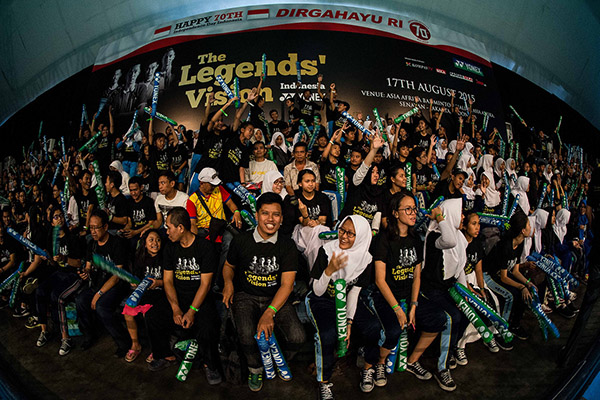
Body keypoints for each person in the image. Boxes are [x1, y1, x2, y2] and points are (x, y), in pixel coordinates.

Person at [222, 193, 305, 391]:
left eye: (276, 214)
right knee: (246, 334)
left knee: (298, 337)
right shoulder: (241, 240)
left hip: (276, 297)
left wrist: (269, 313)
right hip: (246, 296)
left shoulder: (287, 245)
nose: (270, 219)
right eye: (265, 213)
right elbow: (228, 266)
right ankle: (255, 368)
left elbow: (287, 285)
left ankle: (276, 359)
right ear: (257, 215)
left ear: (281, 218)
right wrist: (228, 283)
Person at [144, 207, 222, 385]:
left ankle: (210, 365)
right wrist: (175, 308)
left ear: (180, 228)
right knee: (152, 316)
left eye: (169, 227)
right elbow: (168, 281)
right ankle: (165, 355)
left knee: (208, 326)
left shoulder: (205, 247)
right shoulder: (170, 248)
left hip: (200, 299)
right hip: (178, 297)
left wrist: (192, 311)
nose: (166, 231)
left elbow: (205, 284)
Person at [305, 215, 373, 400]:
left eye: (351, 233)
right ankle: (324, 381)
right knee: (327, 335)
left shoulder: (366, 259)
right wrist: (329, 270)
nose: (343, 236)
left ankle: (368, 367)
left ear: (361, 237)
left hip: (345, 300)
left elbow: (354, 292)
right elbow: (317, 291)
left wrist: (348, 322)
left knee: (372, 326)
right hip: (322, 300)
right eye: (342, 230)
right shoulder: (327, 251)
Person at [420, 198, 469, 391]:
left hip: (447, 287)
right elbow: (449, 241)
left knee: (465, 311)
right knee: (452, 316)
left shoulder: (458, 236)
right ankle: (442, 368)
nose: (463, 217)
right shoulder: (435, 236)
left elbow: (460, 266)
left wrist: (464, 292)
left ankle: (450, 349)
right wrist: (440, 217)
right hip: (431, 289)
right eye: (460, 213)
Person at [75, 210, 130, 357]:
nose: (93, 231)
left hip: (116, 285)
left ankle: (124, 343)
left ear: (105, 227)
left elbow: (117, 276)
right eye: (91, 228)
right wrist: (85, 272)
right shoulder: (92, 244)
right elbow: (88, 266)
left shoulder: (117, 243)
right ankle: (89, 335)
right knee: (80, 300)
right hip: (98, 283)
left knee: (101, 307)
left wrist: (99, 294)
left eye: (96, 228)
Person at [483, 211, 536, 341]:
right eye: (529, 225)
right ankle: (501, 330)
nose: (531, 227)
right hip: (490, 275)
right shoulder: (505, 245)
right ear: (522, 230)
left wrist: (527, 283)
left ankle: (514, 326)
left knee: (525, 293)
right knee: (511, 296)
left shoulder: (520, 243)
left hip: (503, 274)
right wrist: (521, 287)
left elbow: (516, 271)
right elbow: (503, 277)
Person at [122, 229, 163, 363]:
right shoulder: (140, 258)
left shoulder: (165, 257)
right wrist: (135, 283)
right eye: (151, 240)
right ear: (144, 243)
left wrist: (158, 282)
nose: (155, 243)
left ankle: (156, 347)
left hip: (160, 293)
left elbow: (170, 280)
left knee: (149, 315)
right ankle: (135, 344)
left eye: (158, 240)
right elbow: (138, 280)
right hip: (145, 293)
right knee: (128, 312)